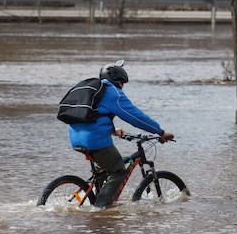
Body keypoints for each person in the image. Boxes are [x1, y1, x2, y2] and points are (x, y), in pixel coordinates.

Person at [67, 62, 174, 209]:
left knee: (103, 171)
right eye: (122, 83)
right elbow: (135, 117)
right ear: (118, 82)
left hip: (76, 137)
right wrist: (160, 132)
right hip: (94, 139)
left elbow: (94, 116)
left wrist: (112, 130)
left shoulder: (95, 90)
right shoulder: (113, 92)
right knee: (119, 171)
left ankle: (95, 201)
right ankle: (100, 209)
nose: (123, 87)